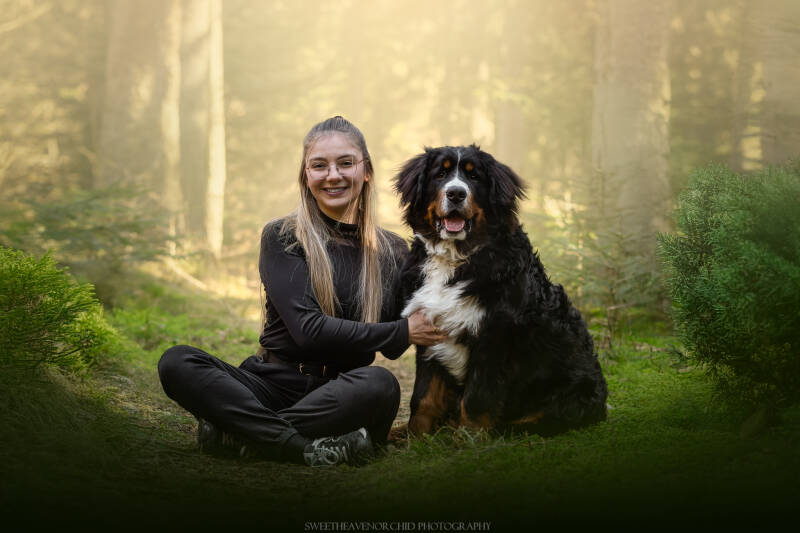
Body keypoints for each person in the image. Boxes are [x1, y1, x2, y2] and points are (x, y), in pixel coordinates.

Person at [158, 116, 446, 467]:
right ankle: (302, 447)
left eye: (345, 163)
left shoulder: (393, 250)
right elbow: (308, 332)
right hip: (268, 386)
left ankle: (241, 432)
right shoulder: (282, 236)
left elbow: (395, 343)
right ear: (306, 175)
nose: (333, 175)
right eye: (319, 165)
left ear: (366, 170)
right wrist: (402, 329)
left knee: (380, 384)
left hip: (339, 394)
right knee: (178, 361)